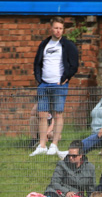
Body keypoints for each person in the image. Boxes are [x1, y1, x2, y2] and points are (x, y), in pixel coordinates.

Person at [30, 17, 79, 157]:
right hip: (44, 84)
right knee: (42, 114)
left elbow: (74, 64)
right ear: (51, 28)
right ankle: (42, 145)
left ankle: (54, 145)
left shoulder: (67, 45)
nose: (58, 31)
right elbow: (37, 63)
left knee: (58, 114)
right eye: (56, 28)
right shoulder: (44, 44)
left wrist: (65, 78)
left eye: (61, 29)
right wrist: (39, 80)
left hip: (59, 85)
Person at [65, 78, 102, 155]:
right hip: (97, 132)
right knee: (90, 141)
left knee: (90, 141)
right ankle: (74, 152)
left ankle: (71, 152)